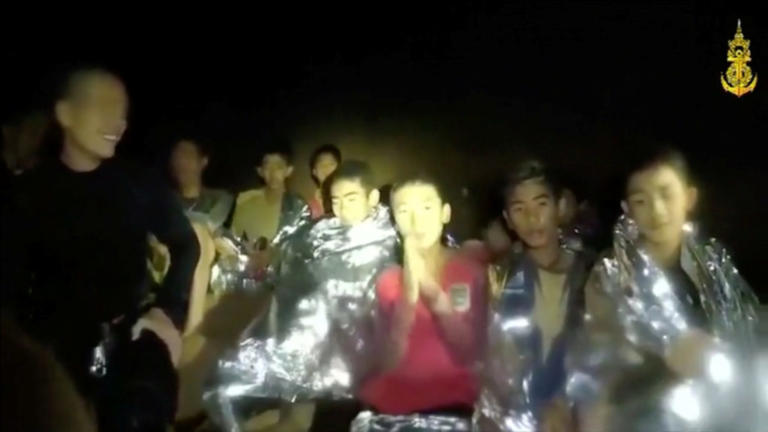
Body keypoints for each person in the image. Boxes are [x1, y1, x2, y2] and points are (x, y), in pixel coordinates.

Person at [1, 68, 199, 431]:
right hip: (55, 356)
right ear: (65, 114)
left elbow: (186, 244)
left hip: (128, 341)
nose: (118, 121)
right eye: (103, 106)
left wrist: (168, 311)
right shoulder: (27, 194)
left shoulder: (137, 183)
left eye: (122, 110)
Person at [579, 148, 761, 432]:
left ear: (688, 198)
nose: (657, 211)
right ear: (628, 209)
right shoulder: (611, 274)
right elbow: (602, 364)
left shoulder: (712, 261)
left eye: (666, 194)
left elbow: (744, 332)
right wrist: (665, 354)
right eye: (642, 200)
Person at [474, 160, 594, 432]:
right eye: (519, 209)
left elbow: (603, 356)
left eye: (541, 204)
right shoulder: (499, 278)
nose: (532, 218)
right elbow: (492, 365)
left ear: (560, 207)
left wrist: (568, 402)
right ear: (508, 220)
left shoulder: (592, 275)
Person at [357, 174, 488, 418]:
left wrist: (429, 289)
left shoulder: (468, 272)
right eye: (404, 211)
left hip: (453, 403)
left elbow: (469, 351)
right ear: (395, 220)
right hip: (393, 404)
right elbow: (387, 362)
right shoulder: (387, 280)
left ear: (444, 213)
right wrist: (409, 290)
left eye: (427, 208)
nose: (417, 221)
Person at [170, 137, 233, 232]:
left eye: (188, 156)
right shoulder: (165, 200)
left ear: (203, 162)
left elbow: (210, 224)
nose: (181, 163)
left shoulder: (219, 198)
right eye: (177, 157)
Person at [308, 143, 341, 219]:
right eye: (321, 164)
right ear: (314, 171)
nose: (326, 168)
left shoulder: (349, 198)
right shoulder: (308, 208)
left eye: (331, 164)